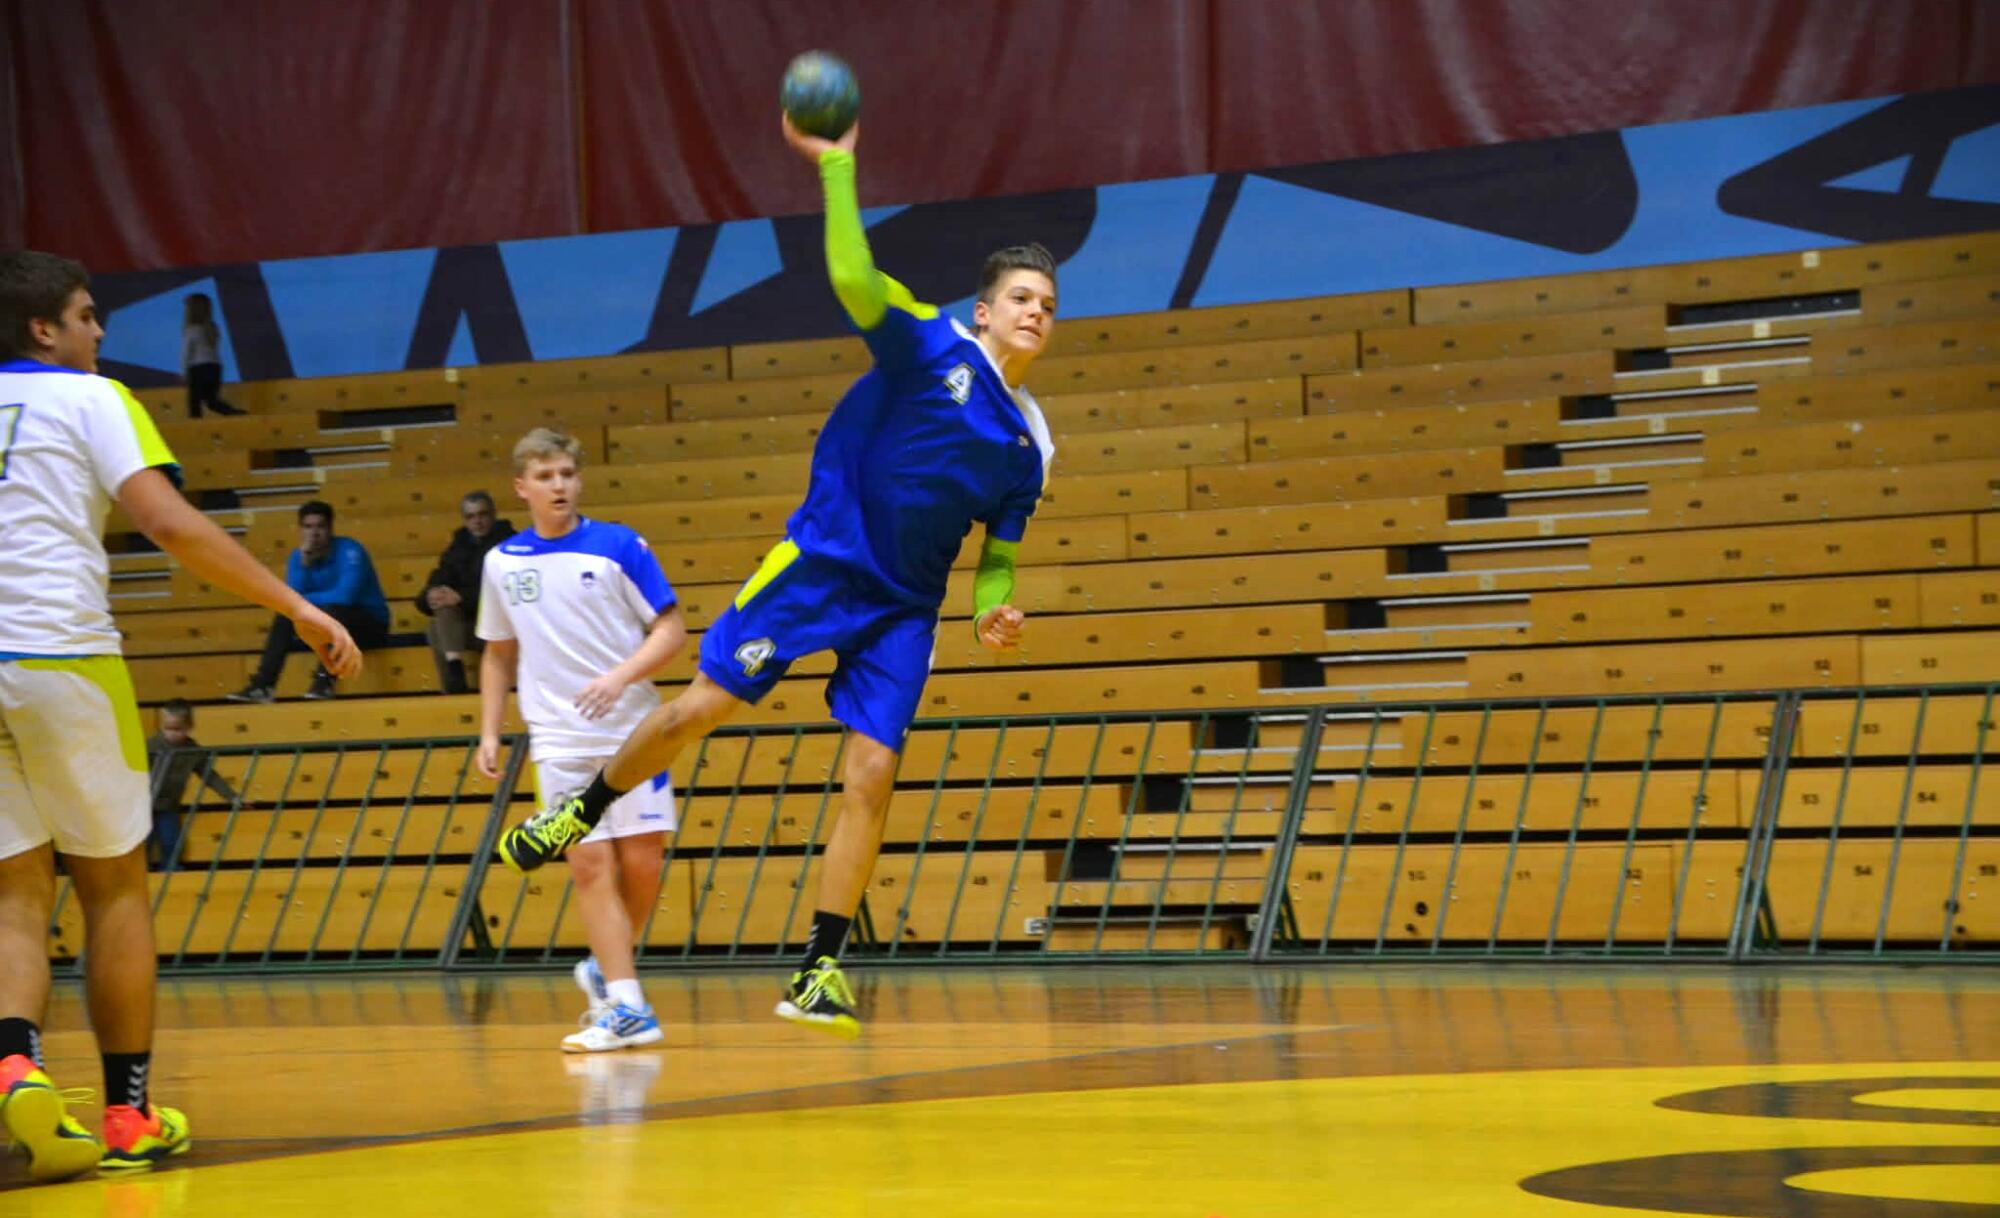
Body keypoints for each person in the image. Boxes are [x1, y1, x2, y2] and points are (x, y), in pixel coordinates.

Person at [495, 116, 1055, 1040]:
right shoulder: (931, 343)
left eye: (1049, 302)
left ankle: (820, 965)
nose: (1037, 310)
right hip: (823, 563)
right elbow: (849, 277)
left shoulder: (1029, 443)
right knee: (694, 713)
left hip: (904, 608)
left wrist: (995, 609)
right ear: (985, 310)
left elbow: (996, 558)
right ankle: (580, 812)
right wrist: (838, 169)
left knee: (872, 773)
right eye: (1022, 296)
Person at [0, 250, 359, 1180]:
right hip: (62, 658)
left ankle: (13, 1063)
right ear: (45, 329)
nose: (99, 330)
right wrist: (297, 606)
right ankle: (127, 1116)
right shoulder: (93, 399)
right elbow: (168, 523)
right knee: (115, 886)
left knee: (12, 894)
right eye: (86, 315)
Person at [475, 428, 688, 1053]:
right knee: (591, 863)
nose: (559, 485)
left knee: (644, 861)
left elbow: (670, 629)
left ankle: (606, 967)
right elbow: (496, 654)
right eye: (545, 476)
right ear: (523, 487)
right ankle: (627, 1006)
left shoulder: (620, 546)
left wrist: (620, 677)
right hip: (559, 741)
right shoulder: (502, 563)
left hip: (635, 732)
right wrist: (490, 729)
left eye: (567, 473)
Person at [227, 501, 388, 703]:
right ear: (301, 530)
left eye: (320, 526)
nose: (314, 533)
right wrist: (305, 564)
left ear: (330, 529)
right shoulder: (298, 557)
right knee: (285, 617)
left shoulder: (351, 551)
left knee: (335, 610)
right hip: (326, 626)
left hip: (369, 625)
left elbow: (345, 596)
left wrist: (304, 603)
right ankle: (263, 685)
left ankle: (324, 682)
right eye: (308, 527)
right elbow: (290, 603)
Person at [416, 491, 515, 694]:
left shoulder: (510, 544)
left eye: (482, 515)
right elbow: (439, 578)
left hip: (502, 628)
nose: (477, 521)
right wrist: (431, 596)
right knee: (440, 618)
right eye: (470, 517)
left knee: (437, 630)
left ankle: (453, 685)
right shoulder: (458, 546)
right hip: (471, 627)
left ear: (493, 515)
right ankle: (455, 679)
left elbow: (506, 593)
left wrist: (461, 598)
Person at [143, 699, 236, 871]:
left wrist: (231, 796)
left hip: (169, 806)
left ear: (189, 727)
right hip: (144, 805)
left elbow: (209, 775)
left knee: (171, 840)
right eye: (167, 728)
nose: (171, 734)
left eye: (177, 729)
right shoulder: (151, 746)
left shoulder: (193, 751)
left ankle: (170, 870)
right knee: (143, 842)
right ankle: (141, 873)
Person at [180, 293, 241, 419]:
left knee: (194, 403)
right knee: (212, 401)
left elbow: (186, 353)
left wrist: (184, 372)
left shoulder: (192, 330)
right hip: (215, 367)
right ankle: (236, 414)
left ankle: (195, 430)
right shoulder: (212, 329)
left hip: (198, 368)